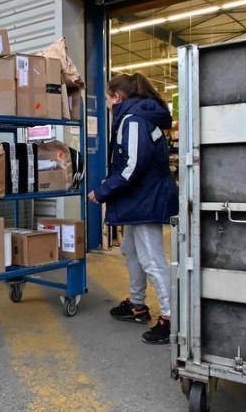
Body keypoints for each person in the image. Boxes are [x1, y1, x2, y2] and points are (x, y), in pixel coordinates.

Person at [88, 73, 177, 345]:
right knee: (131, 251)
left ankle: (172, 319)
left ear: (118, 97)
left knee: (151, 258)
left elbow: (133, 166)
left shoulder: (133, 119)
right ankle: (137, 305)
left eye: (107, 98)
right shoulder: (137, 116)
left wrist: (103, 190)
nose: (106, 103)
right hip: (140, 199)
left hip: (145, 199)